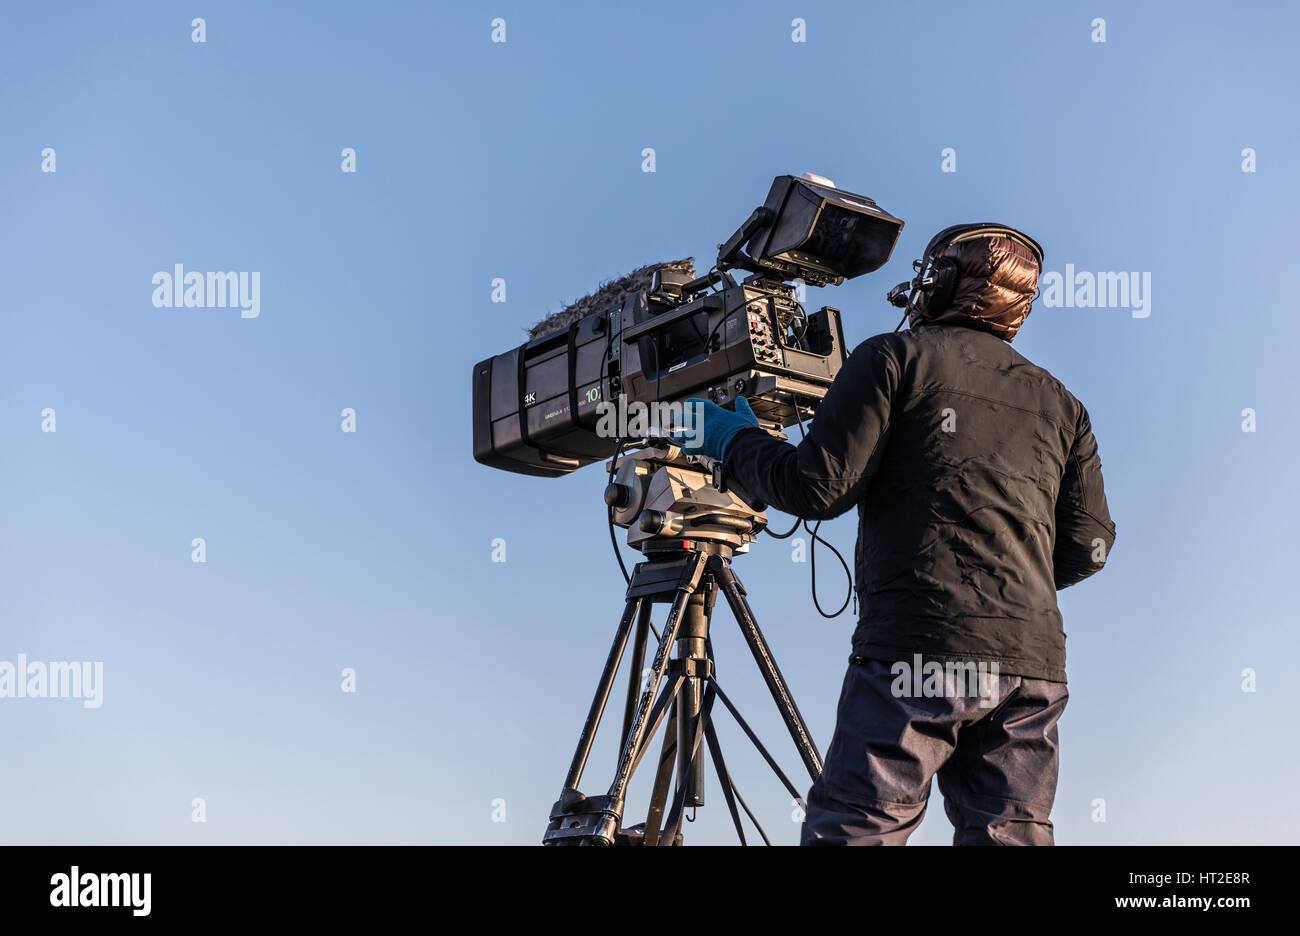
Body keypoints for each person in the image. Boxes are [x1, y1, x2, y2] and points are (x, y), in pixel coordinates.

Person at [680, 223, 1116, 845]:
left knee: (858, 831)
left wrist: (731, 438)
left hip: (918, 650)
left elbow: (815, 488)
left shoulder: (894, 357)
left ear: (937, 283)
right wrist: (1008, 579)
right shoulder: (1063, 403)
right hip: (1032, 667)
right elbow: (1091, 543)